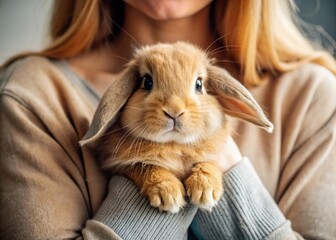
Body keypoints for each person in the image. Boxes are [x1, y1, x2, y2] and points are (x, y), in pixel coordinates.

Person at [0, 0, 335, 239]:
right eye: (147, 83)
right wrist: (149, 172)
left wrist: (218, 163)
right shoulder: (33, 94)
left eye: (199, 85)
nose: (175, 108)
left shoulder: (312, 96)